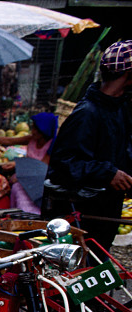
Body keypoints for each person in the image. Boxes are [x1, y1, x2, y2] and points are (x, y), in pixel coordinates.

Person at [43, 40, 132, 251]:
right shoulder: (87, 113)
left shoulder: (121, 108)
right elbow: (63, 163)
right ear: (127, 74)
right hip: (83, 212)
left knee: (100, 260)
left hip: (108, 206)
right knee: (83, 268)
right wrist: (108, 173)